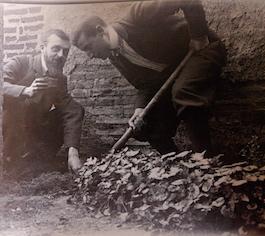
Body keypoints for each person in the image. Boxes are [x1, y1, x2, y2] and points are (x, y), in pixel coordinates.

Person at [72, 0, 226, 156]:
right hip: (174, 74)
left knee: (184, 92)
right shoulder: (115, 57)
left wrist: (198, 35)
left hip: (201, 50)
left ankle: (207, 160)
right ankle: (179, 168)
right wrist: (139, 109)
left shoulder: (138, 15)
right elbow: (145, 84)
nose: (90, 55)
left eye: (88, 47)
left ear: (100, 31)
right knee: (146, 124)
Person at [3, 29, 84, 173]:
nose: (61, 55)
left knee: (72, 109)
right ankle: (10, 159)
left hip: (34, 128)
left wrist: (73, 151)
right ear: (42, 48)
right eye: (56, 49)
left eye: (65, 51)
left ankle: (38, 160)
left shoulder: (59, 78)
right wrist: (26, 91)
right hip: (11, 129)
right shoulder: (20, 63)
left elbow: (71, 109)